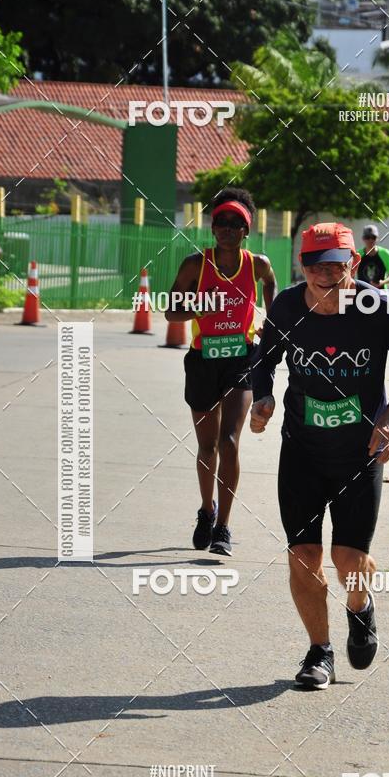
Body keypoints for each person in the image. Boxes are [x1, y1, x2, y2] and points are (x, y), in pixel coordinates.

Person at [250, 221, 389, 689]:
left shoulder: (375, 307)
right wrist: (263, 395)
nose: (327, 274)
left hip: (359, 454)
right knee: (303, 554)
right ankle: (319, 652)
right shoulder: (288, 306)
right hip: (302, 451)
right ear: (303, 266)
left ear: (354, 262)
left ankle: (360, 606)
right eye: (316, 264)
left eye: (337, 263)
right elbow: (264, 357)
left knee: (349, 560)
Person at [166, 188, 277, 557]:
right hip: (202, 361)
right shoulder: (195, 265)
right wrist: (202, 305)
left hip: (241, 359)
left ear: (247, 230)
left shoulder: (257, 264)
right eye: (221, 221)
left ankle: (224, 529)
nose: (227, 228)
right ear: (213, 227)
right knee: (207, 444)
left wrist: (270, 323)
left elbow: (270, 285)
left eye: (236, 223)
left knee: (230, 441)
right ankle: (207, 509)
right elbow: (172, 312)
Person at [357, 223, 389, 288]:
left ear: (377, 238)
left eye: (373, 237)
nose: (370, 240)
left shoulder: (385, 253)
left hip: (381, 292)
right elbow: (350, 273)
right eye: (367, 237)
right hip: (362, 293)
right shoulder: (358, 254)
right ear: (363, 238)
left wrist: (382, 282)